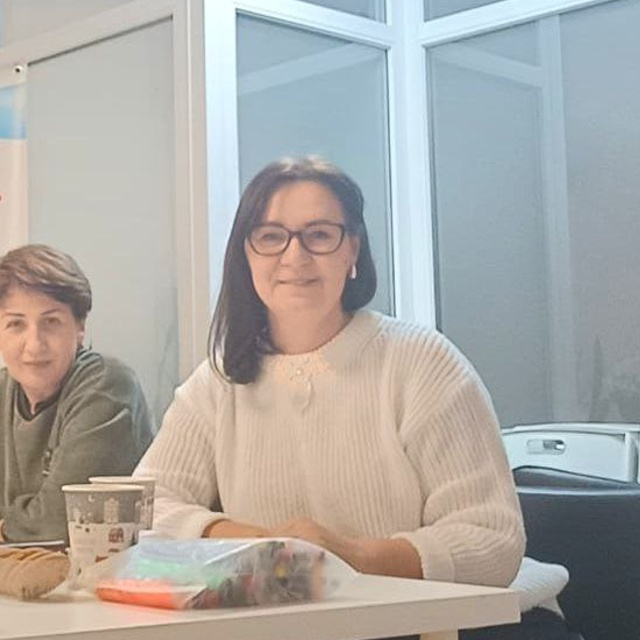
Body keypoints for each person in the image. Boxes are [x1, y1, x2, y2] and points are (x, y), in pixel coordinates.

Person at [136, 156, 568, 639]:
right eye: (271, 236)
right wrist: (265, 547)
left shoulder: (422, 364)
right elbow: (143, 511)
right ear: (246, 255)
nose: (294, 256)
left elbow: (491, 541)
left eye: (320, 235)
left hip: (468, 630)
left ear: (353, 250)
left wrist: (349, 557)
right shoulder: (218, 382)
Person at [0, 244, 155, 544]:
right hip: (21, 570)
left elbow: (63, 520)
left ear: (80, 328)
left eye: (51, 322)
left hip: (108, 572)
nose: (34, 345)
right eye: (16, 324)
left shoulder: (108, 385)